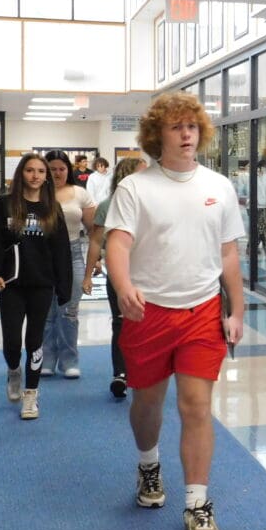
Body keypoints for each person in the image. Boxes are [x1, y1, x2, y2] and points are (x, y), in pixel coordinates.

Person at [104, 91, 245, 530]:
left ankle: (198, 504)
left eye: (191, 126)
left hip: (202, 311)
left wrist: (237, 309)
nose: (186, 134)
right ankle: (148, 464)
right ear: (156, 136)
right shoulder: (135, 188)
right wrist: (124, 286)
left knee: (196, 407)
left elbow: (228, 252)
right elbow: (119, 244)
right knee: (147, 405)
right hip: (149, 313)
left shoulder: (219, 187)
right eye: (175, 127)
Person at [0, 153, 71, 420]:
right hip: (10, 284)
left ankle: (31, 394)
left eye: (41, 172)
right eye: (30, 170)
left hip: (41, 285)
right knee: (12, 341)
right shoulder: (4, 205)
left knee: (34, 340)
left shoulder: (52, 209)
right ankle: (13, 370)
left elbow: (61, 251)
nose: (35, 176)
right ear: (22, 174)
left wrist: (63, 287)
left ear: (46, 177)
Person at [82, 156, 147, 399]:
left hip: (149, 274)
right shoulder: (108, 206)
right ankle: (120, 373)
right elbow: (96, 242)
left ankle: (142, 370)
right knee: (121, 322)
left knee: (147, 323)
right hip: (119, 274)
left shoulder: (152, 204)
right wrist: (88, 275)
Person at [42, 149, 96, 378]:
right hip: (42, 255)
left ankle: (69, 360)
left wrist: (96, 262)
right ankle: (46, 359)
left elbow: (94, 230)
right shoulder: (37, 193)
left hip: (73, 253)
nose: (57, 173)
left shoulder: (80, 194)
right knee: (45, 312)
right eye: (52, 169)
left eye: (62, 169)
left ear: (68, 170)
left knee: (68, 310)